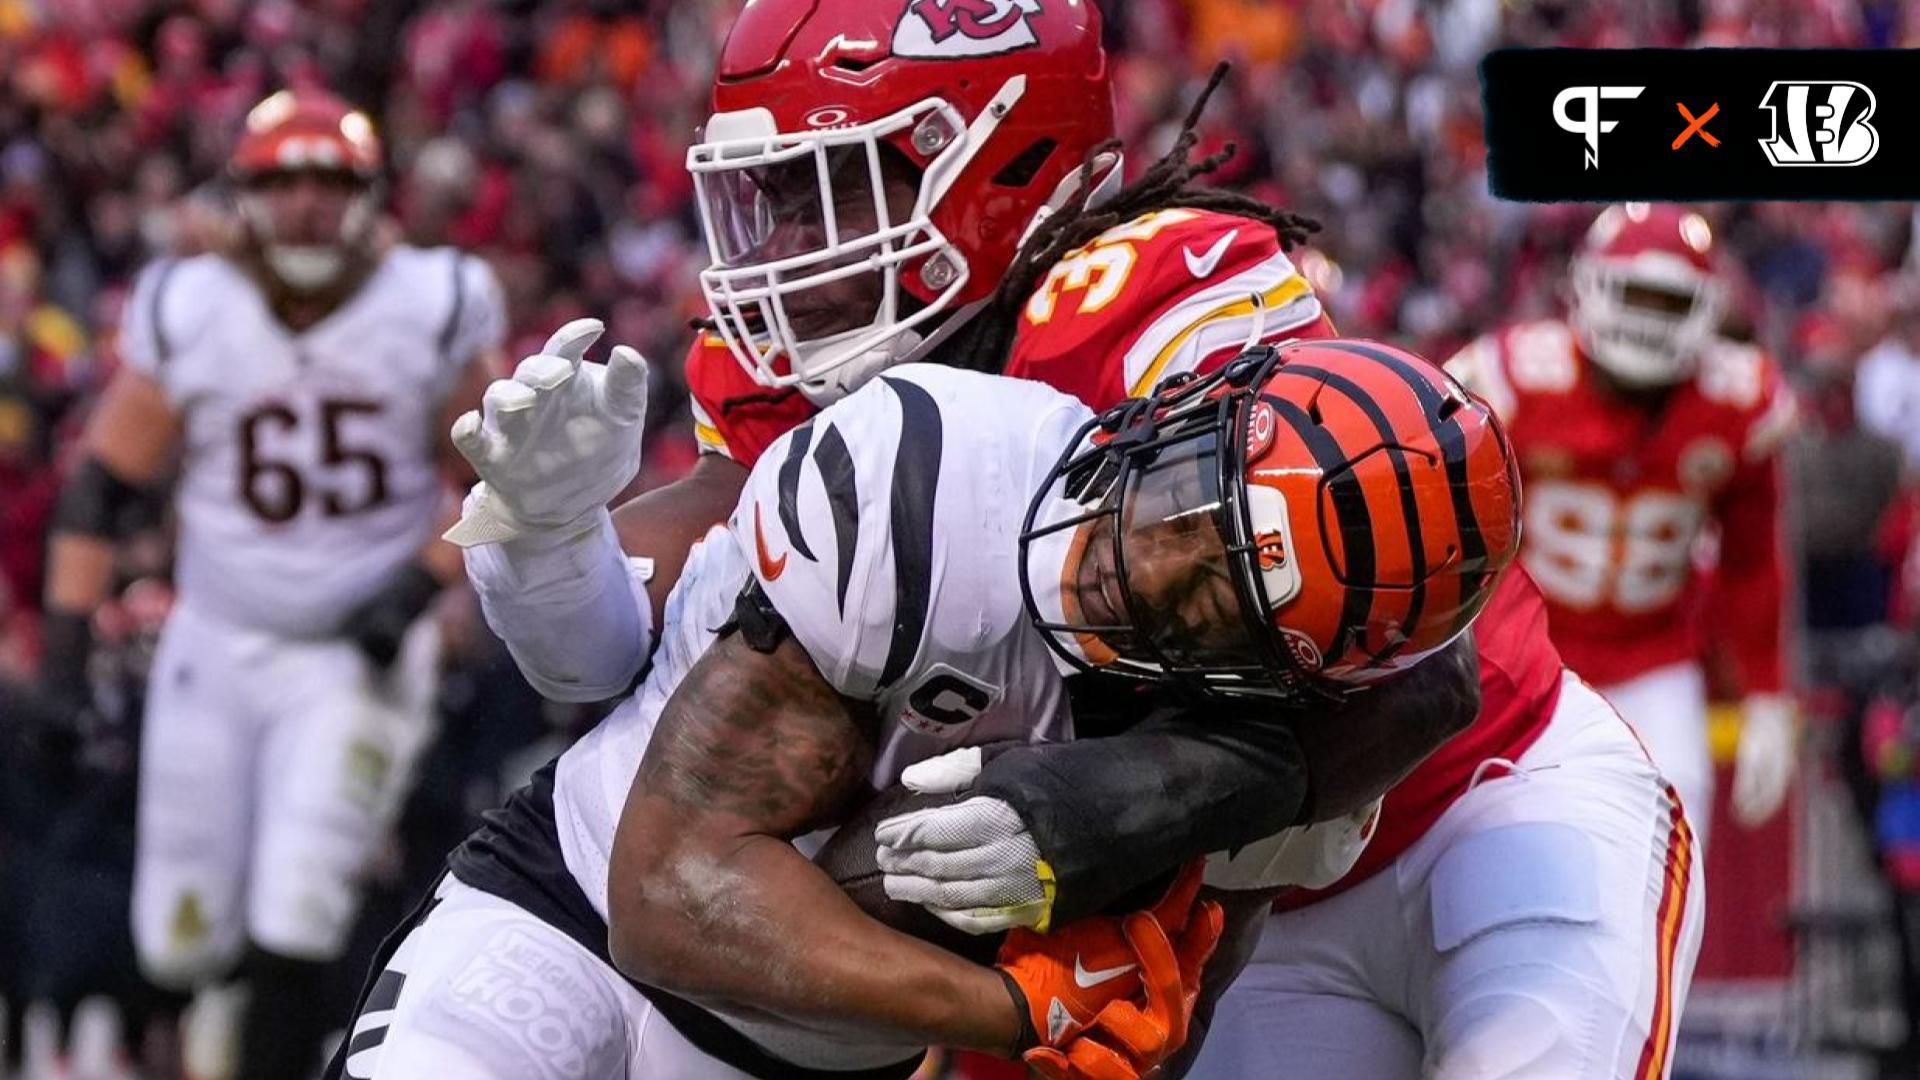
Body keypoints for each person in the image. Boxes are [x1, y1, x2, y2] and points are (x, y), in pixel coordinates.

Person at [460, 1, 1699, 1074]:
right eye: (772, 193)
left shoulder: (1156, 292)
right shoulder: (833, 363)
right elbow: (679, 624)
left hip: (1484, 800)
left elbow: (1425, 672)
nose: (790, 241)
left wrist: (1129, 791)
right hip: (1217, 918)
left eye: (835, 183)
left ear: (1001, 158)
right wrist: (545, 537)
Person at [333, 336, 1517, 1080]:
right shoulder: (937, 473)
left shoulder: (1291, 766)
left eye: (1218, 600)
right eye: (1182, 505)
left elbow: (1151, 1024)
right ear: (1189, 410)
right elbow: (665, 895)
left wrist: (1100, 1021)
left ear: (1284, 676)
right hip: (569, 922)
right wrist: (1013, 1007)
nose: (1152, 566)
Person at [34, 88, 504, 1080]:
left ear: (373, 196)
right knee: (180, 933)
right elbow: (99, 490)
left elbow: (501, 471)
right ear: (244, 194)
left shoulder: (430, 303)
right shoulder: (194, 307)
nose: (303, 206)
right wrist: (68, 658)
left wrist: (418, 586)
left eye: (328, 182)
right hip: (219, 638)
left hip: (355, 652)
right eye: (282, 181)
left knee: (300, 908)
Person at [1444, 202, 1799, 846]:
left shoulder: (1735, 401)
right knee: (1485, 837)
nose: (1648, 318)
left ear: (1709, 308)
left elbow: (1751, 563)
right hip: (1525, 653)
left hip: (1653, 660)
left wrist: (1767, 696)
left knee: (1673, 840)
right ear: (1588, 286)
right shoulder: (1516, 378)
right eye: (1637, 295)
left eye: (1669, 303)